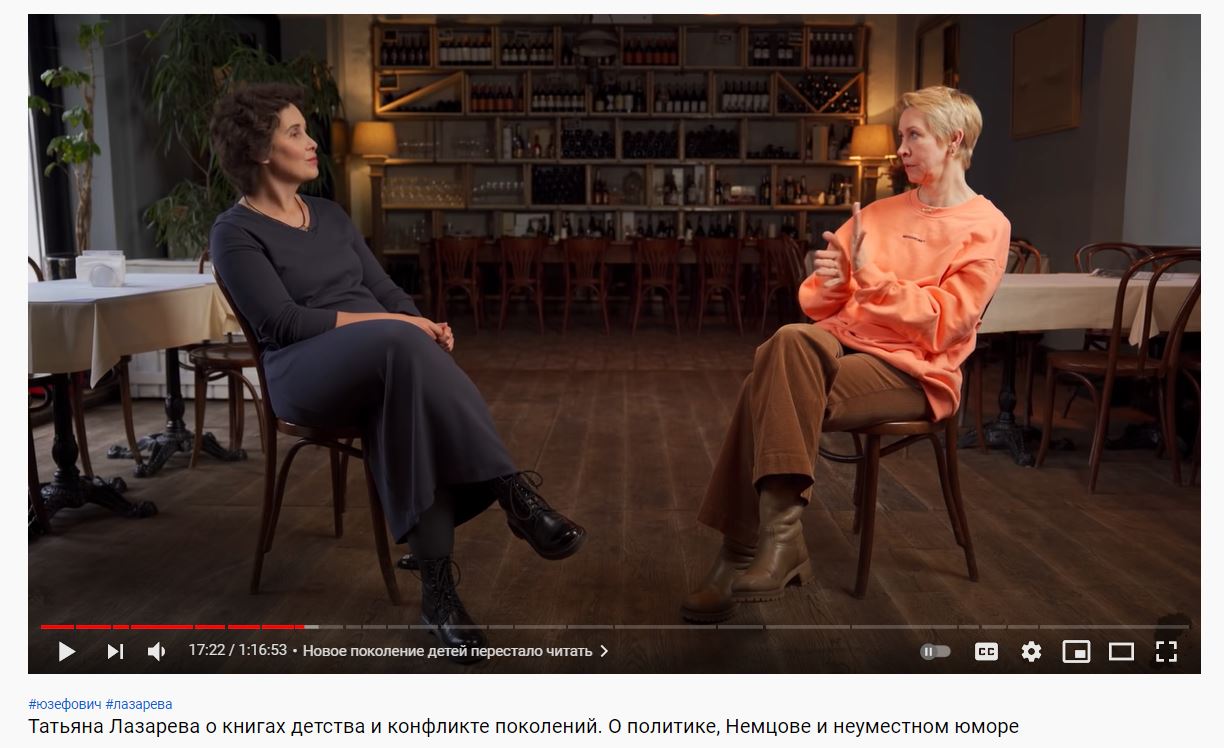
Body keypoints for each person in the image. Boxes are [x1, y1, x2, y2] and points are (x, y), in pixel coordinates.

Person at [208, 83, 585, 663]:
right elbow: (283, 323)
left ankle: (438, 597)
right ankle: (510, 492)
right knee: (398, 346)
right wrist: (399, 327)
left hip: (385, 360)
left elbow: (384, 290)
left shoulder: (329, 215)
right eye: (295, 132)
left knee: (402, 390)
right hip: (304, 372)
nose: (312, 142)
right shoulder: (235, 232)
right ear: (259, 150)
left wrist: (422, 323)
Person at [682, 86, 1010, 622]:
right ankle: (779, 541)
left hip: (914, 369)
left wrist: (870, 279)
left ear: (954, 141)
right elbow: (818, 301)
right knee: (790, 340)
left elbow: (948, 322)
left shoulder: (986, 225)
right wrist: (833, 281)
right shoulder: (877, 213)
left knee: (762, 384)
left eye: (913, 136)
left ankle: (741, 552)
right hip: (843, 342)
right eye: (901, 136)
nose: (901, 148)